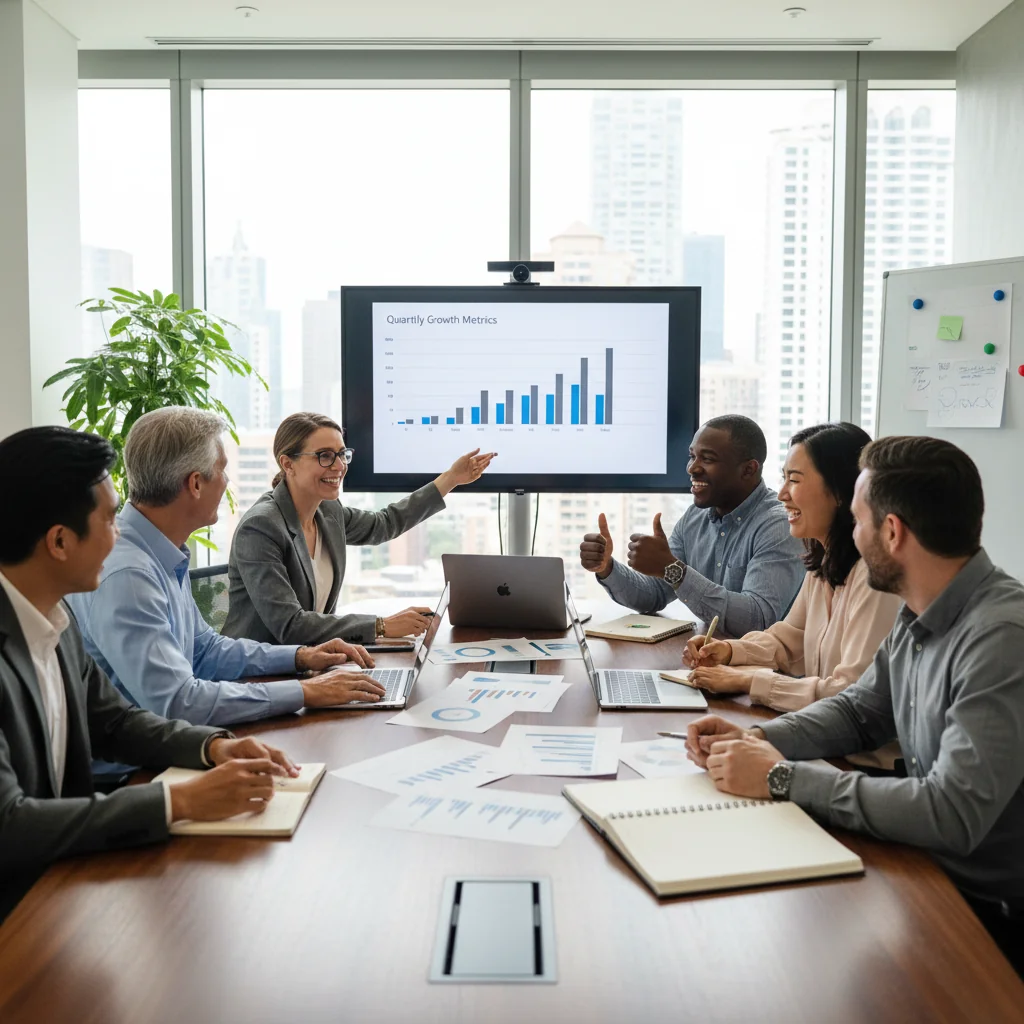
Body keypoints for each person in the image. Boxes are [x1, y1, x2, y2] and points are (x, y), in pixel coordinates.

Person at [685, 436, 1024, 975]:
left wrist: (780, 778)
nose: (853, 536)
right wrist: (758, 740)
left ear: (893, 533)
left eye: (859, 521)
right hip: (926, 871)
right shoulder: (922, 611)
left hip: (985, 917)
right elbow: (859, 711)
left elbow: (951, 813)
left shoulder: (999, 638)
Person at [0, 426, 301, 922]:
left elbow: (115, 723)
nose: (118, 534)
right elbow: (8, 823)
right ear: (58, 541)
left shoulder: (52, 618)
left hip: (59, 888)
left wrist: (212, 747)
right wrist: (174, 801)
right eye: (107, 521)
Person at [68, 408, 389, 728]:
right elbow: (178, 702)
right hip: (135, 772)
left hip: (175, 743)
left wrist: (301, 656)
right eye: (222, 470)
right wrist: (304, 692)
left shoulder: (160, 554)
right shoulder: (130, 577)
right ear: (195, 484)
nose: (227, 482)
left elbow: (205, 650)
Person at [684, 422, 900, 718]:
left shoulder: (874, 577)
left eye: (795, 481)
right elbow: (790, 639)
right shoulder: (824, 561)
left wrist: (748, 680)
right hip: (822, 736)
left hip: (863, 758)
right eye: (783, 479)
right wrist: (730, 651)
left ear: (839, 492)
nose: (782, 494)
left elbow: (850, 693)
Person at [222, 412, 495, 646]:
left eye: (342, 454)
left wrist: (451, 479)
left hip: (309, 666)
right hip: (257, 675)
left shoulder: (328, 512)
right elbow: (290, 626)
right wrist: (381, 626)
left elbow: (384, 524)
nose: (339, 466)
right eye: (325, 456)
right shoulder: (260, 528)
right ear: (287, 463)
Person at [580, 415, 805, 636]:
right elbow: (654, 593)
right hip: (712, 662)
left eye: (707, 459)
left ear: (748, 470)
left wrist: (673, 570)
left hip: (764, 670)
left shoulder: (779, 525)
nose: (692, 468)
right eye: (692, 456)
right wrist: (607, 567)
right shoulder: (695, 517)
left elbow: (758, 620)